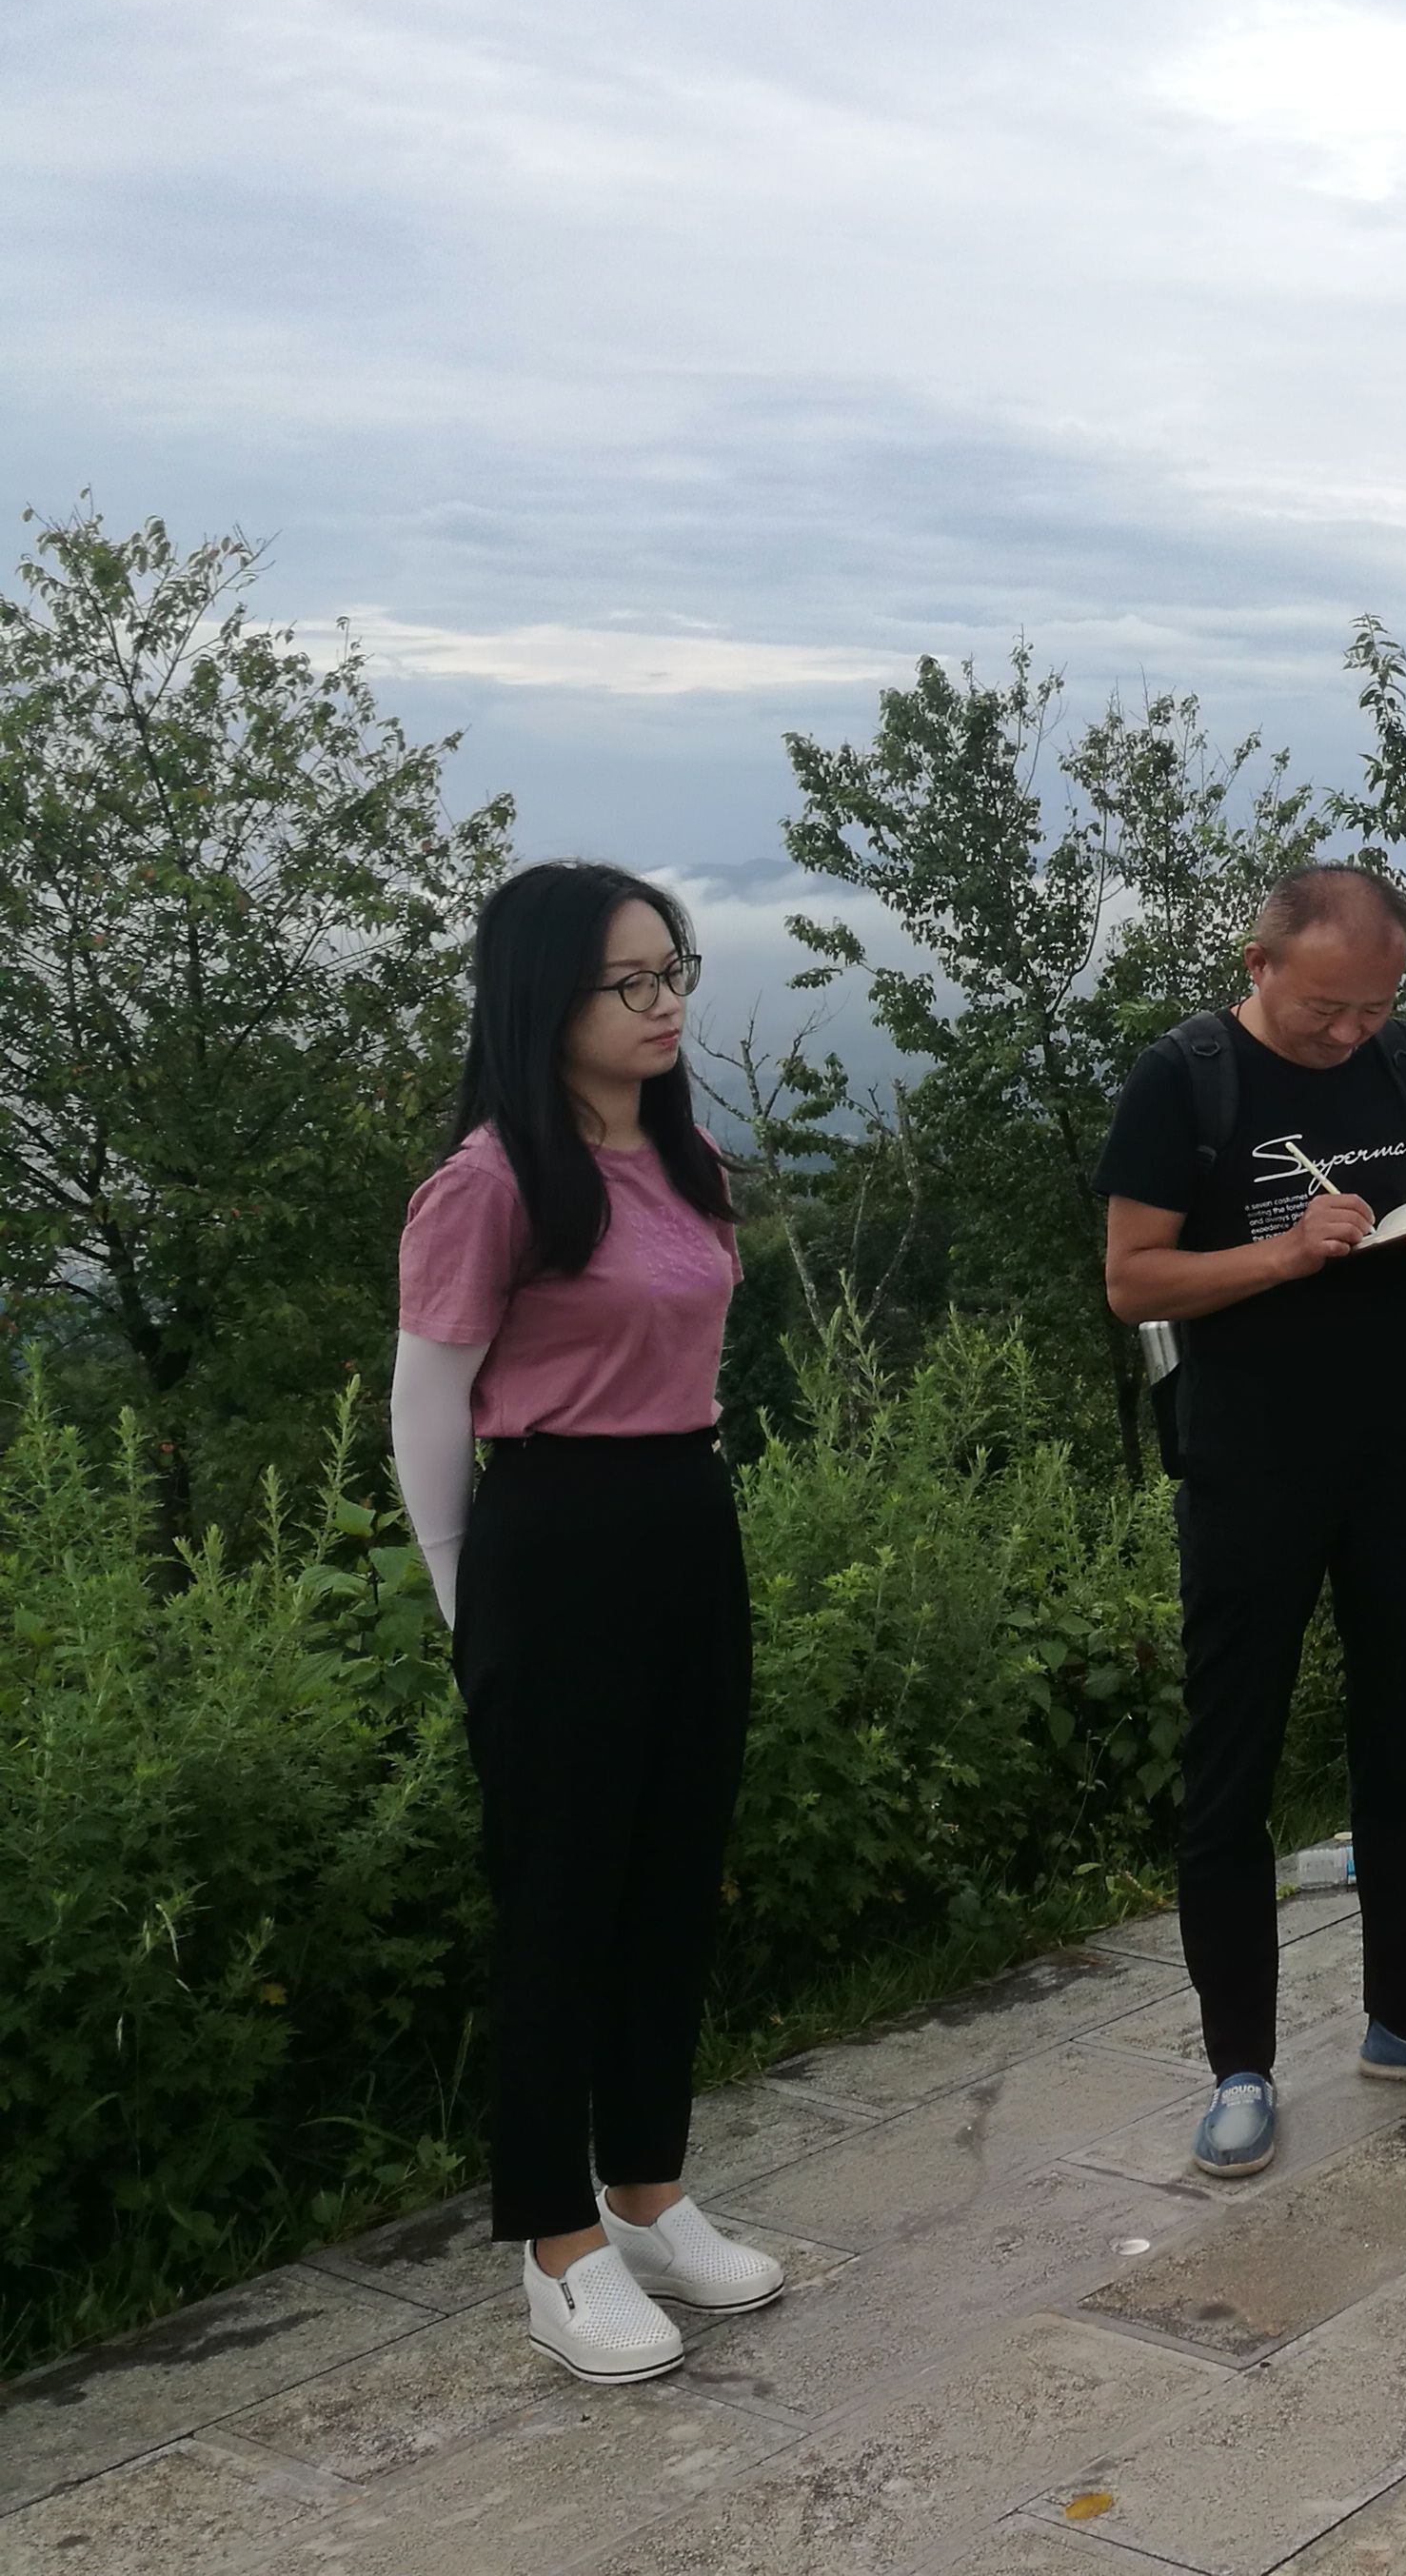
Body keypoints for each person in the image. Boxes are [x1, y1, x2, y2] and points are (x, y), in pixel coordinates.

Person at [392, 862, 786, 2386]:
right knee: (560, 1899)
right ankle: (554, 2241)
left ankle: (646, 2190)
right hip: (551, 1542)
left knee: (674, 1874)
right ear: (542, 1000)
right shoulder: (492, 1182)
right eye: (630, 981)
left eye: (671, 969)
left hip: (685, 1518)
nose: (664, 1000)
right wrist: (465, 1602)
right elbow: (428, 1405)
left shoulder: (685, 1159)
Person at [1096, 864, 1406, 2182]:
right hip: (1249, 1461)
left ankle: (1405, 2014)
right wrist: (1286, 1253)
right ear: (1260, 964)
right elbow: (1131, 1281)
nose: (1349, 1033)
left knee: (1398, 1737)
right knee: (1234, 1756)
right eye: (1325, 1010)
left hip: (1393, 1440)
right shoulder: (1185, 1079)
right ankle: (1240, 2066)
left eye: (1373, 1008)